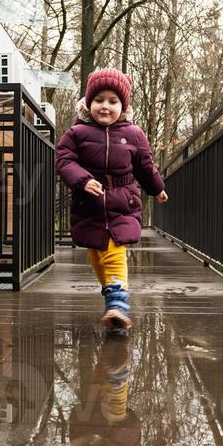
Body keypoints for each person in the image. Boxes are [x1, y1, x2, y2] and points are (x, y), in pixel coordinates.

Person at [55, 68, 169, 330]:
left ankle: (118, 303)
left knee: (113, 249)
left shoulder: (134, 134)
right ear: (88, 101)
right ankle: (111, 294)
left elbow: (145, 166)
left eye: (113, 101)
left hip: (122, 203)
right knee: (97, 252)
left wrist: (157, 188)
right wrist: (82, 180)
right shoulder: (77, 132)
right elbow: (65, 160)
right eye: (99, 100)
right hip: (89, 204)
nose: (105, 106)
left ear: (123, 106)